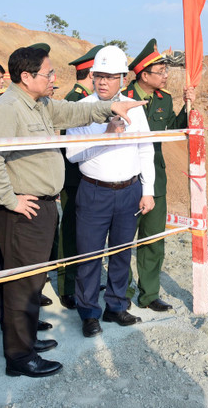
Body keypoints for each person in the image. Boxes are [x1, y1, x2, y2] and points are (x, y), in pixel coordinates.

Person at [0, 44, 147, 378]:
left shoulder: (37, 104)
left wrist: (112, 106)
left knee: (32, 280)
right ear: (26, 77)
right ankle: (19, 357)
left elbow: (74, 113)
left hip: (40, 208)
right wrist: (9, 200)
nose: (54, 78)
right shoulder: (9, 107)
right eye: (48, 73)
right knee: (21, 283)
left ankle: (24, 340)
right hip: (23, 210)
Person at [65, 46, 155, 337]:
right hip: (94, 192)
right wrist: (105, 135)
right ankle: (89, 312)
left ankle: (116, 306)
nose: (102, 82)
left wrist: (148, 190)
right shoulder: (80, 109)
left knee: (121, 253)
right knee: (89, 256)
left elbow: (145, 150)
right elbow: (72, 154)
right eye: (98, 76)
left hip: (130, 191)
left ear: (122, 79)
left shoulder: (135, 108)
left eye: (110, 77)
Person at [124, 39, 195, 312]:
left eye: (166, 71)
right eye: (161, 72)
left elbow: (176, 130)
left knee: (153, 239)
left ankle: (149, 294)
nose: (166, 76)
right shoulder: (124, 98)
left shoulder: (166, 99)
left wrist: (187, 108)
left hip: (155, 177)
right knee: (123, 239)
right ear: (144, 75)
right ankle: (123, 289)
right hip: (127, 177)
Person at [54, 44, 103, 310]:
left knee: (87, 234)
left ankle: (84, 280)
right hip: (74, 178)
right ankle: (67, 286)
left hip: (87, 177)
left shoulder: (90, 100)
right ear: (92, 74)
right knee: (71, 233)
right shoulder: (75, 100)